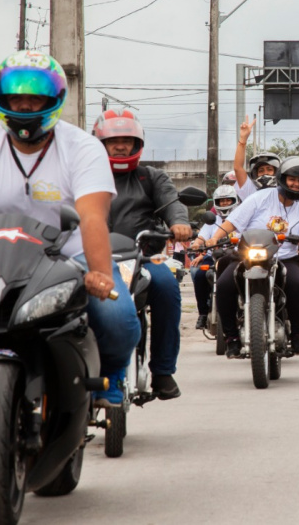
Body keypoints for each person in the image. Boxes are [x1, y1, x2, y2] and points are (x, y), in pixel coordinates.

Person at [0, 50, 139, 408]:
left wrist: (100, 273)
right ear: (1, 101)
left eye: (34, 98)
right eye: (16, 99)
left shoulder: (83, 148)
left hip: (68, 255)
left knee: (115, 315)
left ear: (54, 101)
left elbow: (92, 217)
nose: (24, 107)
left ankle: (111, 374)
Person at [93, 108, 192, 401]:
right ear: (101, 144)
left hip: (142, 260)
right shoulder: (85, 177)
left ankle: (162, 371)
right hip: (92, 260)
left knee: (166, 286)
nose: (120, 146)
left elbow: (173, 203)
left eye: (127, 140)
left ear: (137, 144)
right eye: (113, 141)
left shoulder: (151, 178)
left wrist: (180, 223)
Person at [206, 157, 299, 357]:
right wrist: (214, 237)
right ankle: (231, 337)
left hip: (285, 257)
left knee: (297, 285)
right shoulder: (260, 197)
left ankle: (297, 335)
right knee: (224, 285)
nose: (296, 184)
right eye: (292, 179)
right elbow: (234, 221)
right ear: (282, 178)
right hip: (248, 255)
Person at [189, 185, 239, 330]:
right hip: (213, 258)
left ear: (234, 201)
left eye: (227, 200)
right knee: (199, 276)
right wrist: (197, 244)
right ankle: (203, 313)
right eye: (221, 201)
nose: (224, 204)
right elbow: (201, 237)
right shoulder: (212, 220)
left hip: (236, 258)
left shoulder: (241, 217)